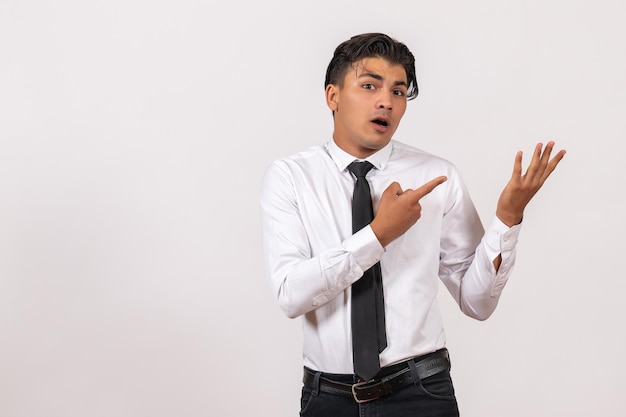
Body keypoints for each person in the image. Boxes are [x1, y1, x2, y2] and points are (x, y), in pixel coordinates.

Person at [260, 32, 565, 417]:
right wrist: (378, 234)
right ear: (332, 96)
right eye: (369, 85)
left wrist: (508, 217)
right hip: (328, 399)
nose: (386, 101)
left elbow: (477, 303)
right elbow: (291, 294)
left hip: (421, 394)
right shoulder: (290, 177)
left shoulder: (437, 176)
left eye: (399, 92)